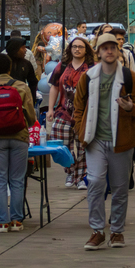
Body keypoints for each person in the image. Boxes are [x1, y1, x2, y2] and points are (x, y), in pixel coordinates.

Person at [73, 33, 135, 250]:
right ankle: (97, 231)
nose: (109, 51)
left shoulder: (129, 77)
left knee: (120, 188)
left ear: (118, 51)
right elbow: (78, 108)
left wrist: (131, 108)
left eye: (112, 48)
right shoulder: (88, 77)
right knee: (96, 183)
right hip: (95, 140)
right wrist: (82, 132)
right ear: (97, 52)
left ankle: (116, 231)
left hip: (122, 141)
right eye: (104, 48)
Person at [0, 53, 37, 233]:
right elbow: (31, 117)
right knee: (17, 180)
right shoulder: (21, 87)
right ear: (10, 68)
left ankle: (2, 222)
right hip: (19, 138)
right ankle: (17, 221)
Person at [48, 37, 95, 190]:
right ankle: (70, 170)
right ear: (70, 49)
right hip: (63, 112)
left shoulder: (92, 67)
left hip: (85, 113)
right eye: (74, 46)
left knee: (83, 146)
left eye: (80, 47)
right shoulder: (61, 67)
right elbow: (54, 87)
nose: (77, 49)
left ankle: (81, 177)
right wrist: (50, 109)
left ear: (86, 50)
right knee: (61, 145)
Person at [5, 37, 38, 102]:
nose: (25, 50)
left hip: (21, 97)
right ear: (15, 49)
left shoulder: (26, 64)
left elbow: (33, 82)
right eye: (23, 48)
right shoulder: (3, 62)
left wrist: (32, 100)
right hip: (4, 97)